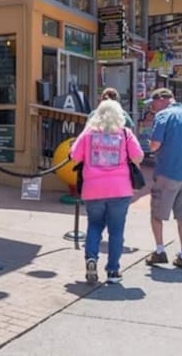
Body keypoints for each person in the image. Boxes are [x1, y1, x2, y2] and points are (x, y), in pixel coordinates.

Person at [69, 100, 145, 285]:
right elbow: (138, 156)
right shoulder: (125, 133)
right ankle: (113, 270)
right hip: (120, 189)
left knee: (94, 226)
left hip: (93, 188)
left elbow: (74, 156)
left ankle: (91, 258)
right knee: (116, 231)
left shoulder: (88, 133)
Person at [144, 88, 182, 271]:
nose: (152, 107)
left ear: (162, 99)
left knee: (156, 215)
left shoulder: (163, 116)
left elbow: (155, 145)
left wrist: (150, 145)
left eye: (153, 103)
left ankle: (160, 251)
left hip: (167, 171)